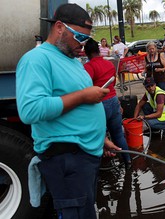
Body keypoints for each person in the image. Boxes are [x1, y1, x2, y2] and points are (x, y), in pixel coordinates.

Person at [16, 3, 120, 219]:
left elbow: (77, 110)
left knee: (85, 210)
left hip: (84, 156)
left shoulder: (71, 60)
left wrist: (100, 138)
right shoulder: (36, 59)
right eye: (79, 37)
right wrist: (84, 96)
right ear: (60, 28)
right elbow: (30, 110)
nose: (83, 44)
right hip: (67, 159)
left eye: (86, 40)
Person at [84, 38, 131, 169]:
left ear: (86, 53)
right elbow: (113, 84)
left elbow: (86, 88)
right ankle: (128, 161)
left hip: (100, 106)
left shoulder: (89, 67)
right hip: (113, 101)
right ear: (98, 50)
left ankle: (97, 169)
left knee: (100, 137)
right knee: (118, 134)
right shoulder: (109, 64)